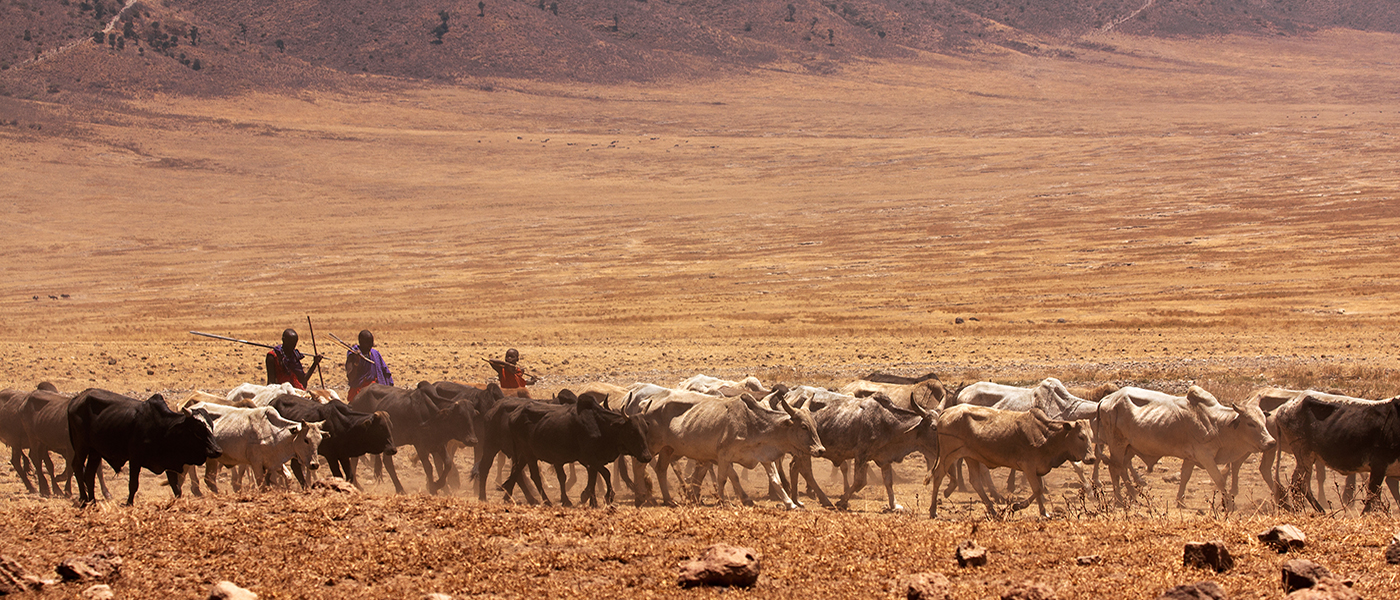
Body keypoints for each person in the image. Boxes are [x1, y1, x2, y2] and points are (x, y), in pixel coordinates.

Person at [346, 329, 393, 402]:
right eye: (368, 343)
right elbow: (351, 377)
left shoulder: (375, 354)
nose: (371, 345)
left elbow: (385, 371)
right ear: (361, 342)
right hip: (359, 392)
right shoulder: (353, 355)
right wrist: (357, 361)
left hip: (375, 391)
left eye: (371, 343)